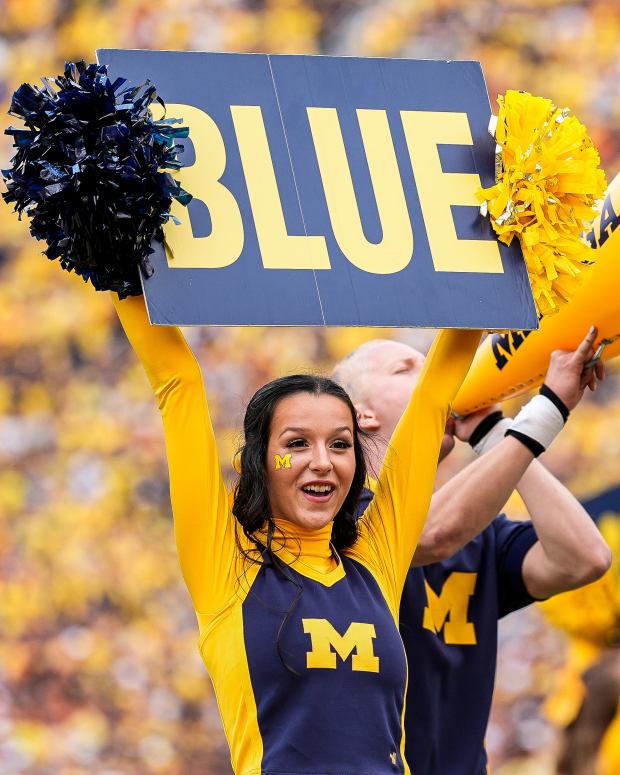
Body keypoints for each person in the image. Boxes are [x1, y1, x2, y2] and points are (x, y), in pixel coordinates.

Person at [112, 292, 481, 775]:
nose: (322, 462)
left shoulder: (374, 559)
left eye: (341, 444)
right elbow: (177, 382)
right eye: (297, 444)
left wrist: (487, 272)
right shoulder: (227, 565)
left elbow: (433, 396)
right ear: (260, 462)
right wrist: (122, 276)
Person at [332, 327, 611, 775]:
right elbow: (429, 535)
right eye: (408, 369)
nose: (440, 377)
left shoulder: (478, 533)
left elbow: (584, 557)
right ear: (359, 414)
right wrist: (545, 413)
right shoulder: (330, 512)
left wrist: (493, 431)